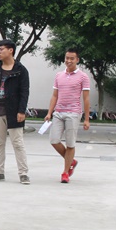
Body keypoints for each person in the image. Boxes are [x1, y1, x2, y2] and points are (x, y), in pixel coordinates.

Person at [0, 39, 31, 184]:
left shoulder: (21, 70)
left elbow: (24, 92)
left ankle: (23, 173)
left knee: (17, 143)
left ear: (11, 50)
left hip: (14, 111)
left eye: (2, 49)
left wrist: (21, 110)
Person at [44, 48, 90, 184]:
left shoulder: (83, 77)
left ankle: (65, 172)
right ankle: (71, 161)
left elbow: (86, 99)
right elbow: (54, 95)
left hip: (74, 113)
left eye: (72, 58)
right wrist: (49, 112)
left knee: (70, 143)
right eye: (67, 58)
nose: (68, 61)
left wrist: (87, 119)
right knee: (54, 140)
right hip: (58, 112)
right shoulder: (59, 75)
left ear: (77, 60)